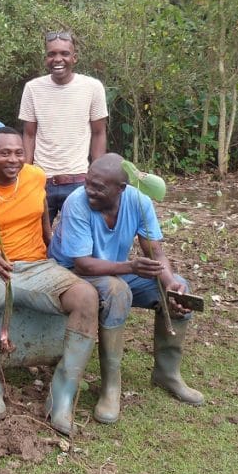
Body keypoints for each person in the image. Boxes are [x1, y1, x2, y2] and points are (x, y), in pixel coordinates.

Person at [0, 127, 99, 436]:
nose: (13, 160)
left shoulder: (36, 176)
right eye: (4, 153)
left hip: (38, 267)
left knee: (86, 297)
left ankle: (63, 395)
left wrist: (53, 249)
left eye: (18, 153)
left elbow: (42, 216)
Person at [49, 152, 204, 425]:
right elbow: (82, 264)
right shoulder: (77, 203)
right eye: (88, 182)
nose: (90, 190)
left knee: (180, 290)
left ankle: (167, 373)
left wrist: (170, 283)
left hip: (116, 270)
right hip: (71, 274)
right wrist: (131, 267)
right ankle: (111, 386)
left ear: (121, 188)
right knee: (116, 290)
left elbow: (155, 252)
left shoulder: (139, 200)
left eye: (99, 187)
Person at [19, 31, 109, 221]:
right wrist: (25, 175)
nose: (57, 59)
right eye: (52, 54)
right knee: (35, 240)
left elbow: (99, 132)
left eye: (64, 54)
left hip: (78, 179)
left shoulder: (92, 87)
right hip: (40, 179)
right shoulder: (32, 88)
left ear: (74, 58)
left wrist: (96, 173)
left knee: (78, 242)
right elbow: (29, 134)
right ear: (46, 58)